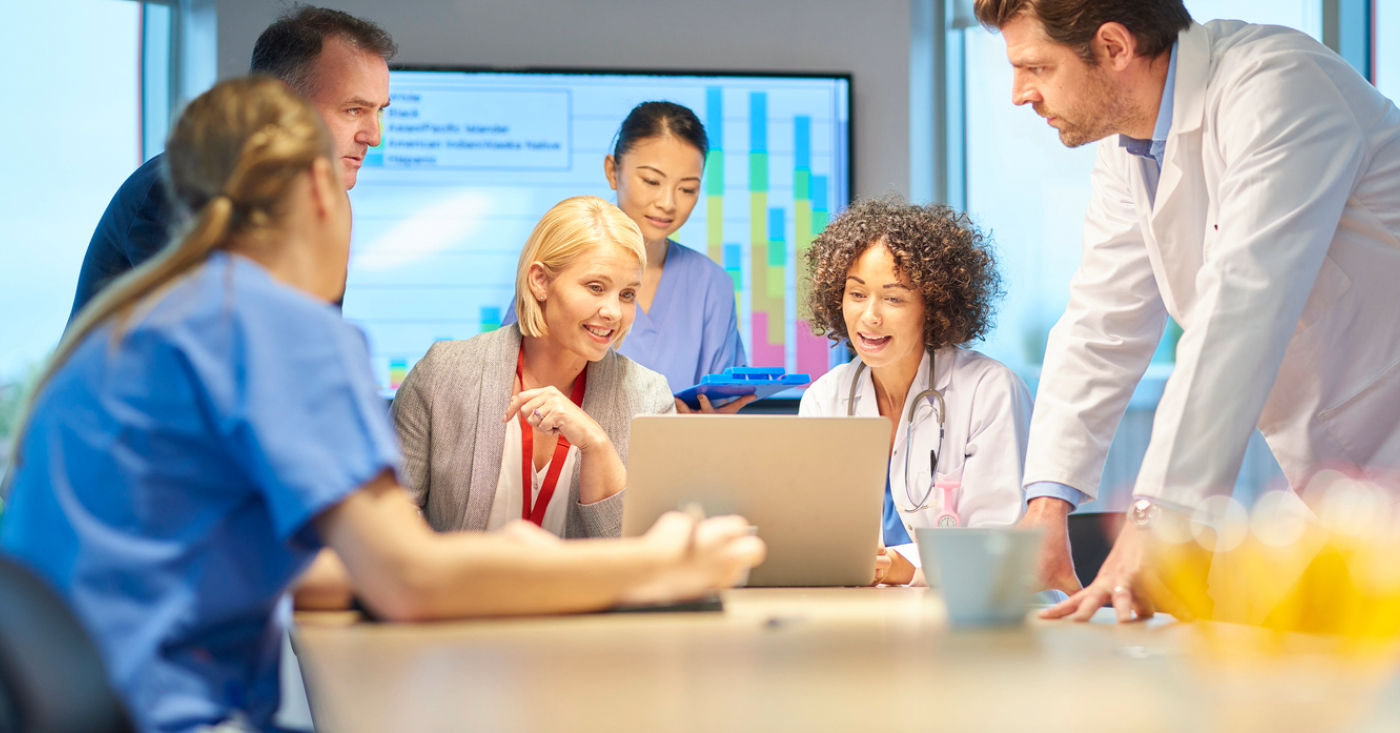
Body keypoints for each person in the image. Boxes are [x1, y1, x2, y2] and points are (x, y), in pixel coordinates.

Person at [0, 77, 763, 733]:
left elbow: (300, 570)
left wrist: (500, 562)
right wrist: (659, 564)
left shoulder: (122, 332)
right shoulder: (280, 329)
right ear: (318, 195)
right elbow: (409, 580)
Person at [972, 0, 1400, 622]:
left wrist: (1159, 517)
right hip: (1352, 487)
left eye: (1036, 67)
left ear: (1114, 47)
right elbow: (1100, 322)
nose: (1019, 94)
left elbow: (1241, 309)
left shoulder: (1280, 87)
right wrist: (1046, 508)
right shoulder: (1129, 148)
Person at [67, 5, 394, 322]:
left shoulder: (322, 205)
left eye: (378, 111)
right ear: (279, 103)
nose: (373, 136)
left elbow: (313, 343)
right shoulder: (180, 189)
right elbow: (222, 348)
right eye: (354, 110)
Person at [393, 196, 676, 537]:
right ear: (540, 281)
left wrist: (597, 445)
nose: (614, 312)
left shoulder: (650, 399)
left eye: (627, 295)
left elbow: (649, 554)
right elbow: (385, 530)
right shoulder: (442, 374)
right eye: (595, 287)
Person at [798, 198, 1032, 585]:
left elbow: (999, 542)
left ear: (933, 305)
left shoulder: (988, 391)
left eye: (894, 298)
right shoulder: (825, 399)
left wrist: (908, 569)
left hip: (980, 608)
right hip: (872, 609)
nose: (870, 316)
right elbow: (813, 534)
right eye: (857, 294)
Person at [506, 102, 749, 411]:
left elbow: (717, 405)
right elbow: (510, 383)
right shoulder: (561, 265)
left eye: (687, 189)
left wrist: (705, 426)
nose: (667, 203)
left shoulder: (711, 285)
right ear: (613, 171)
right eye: (651, 181)